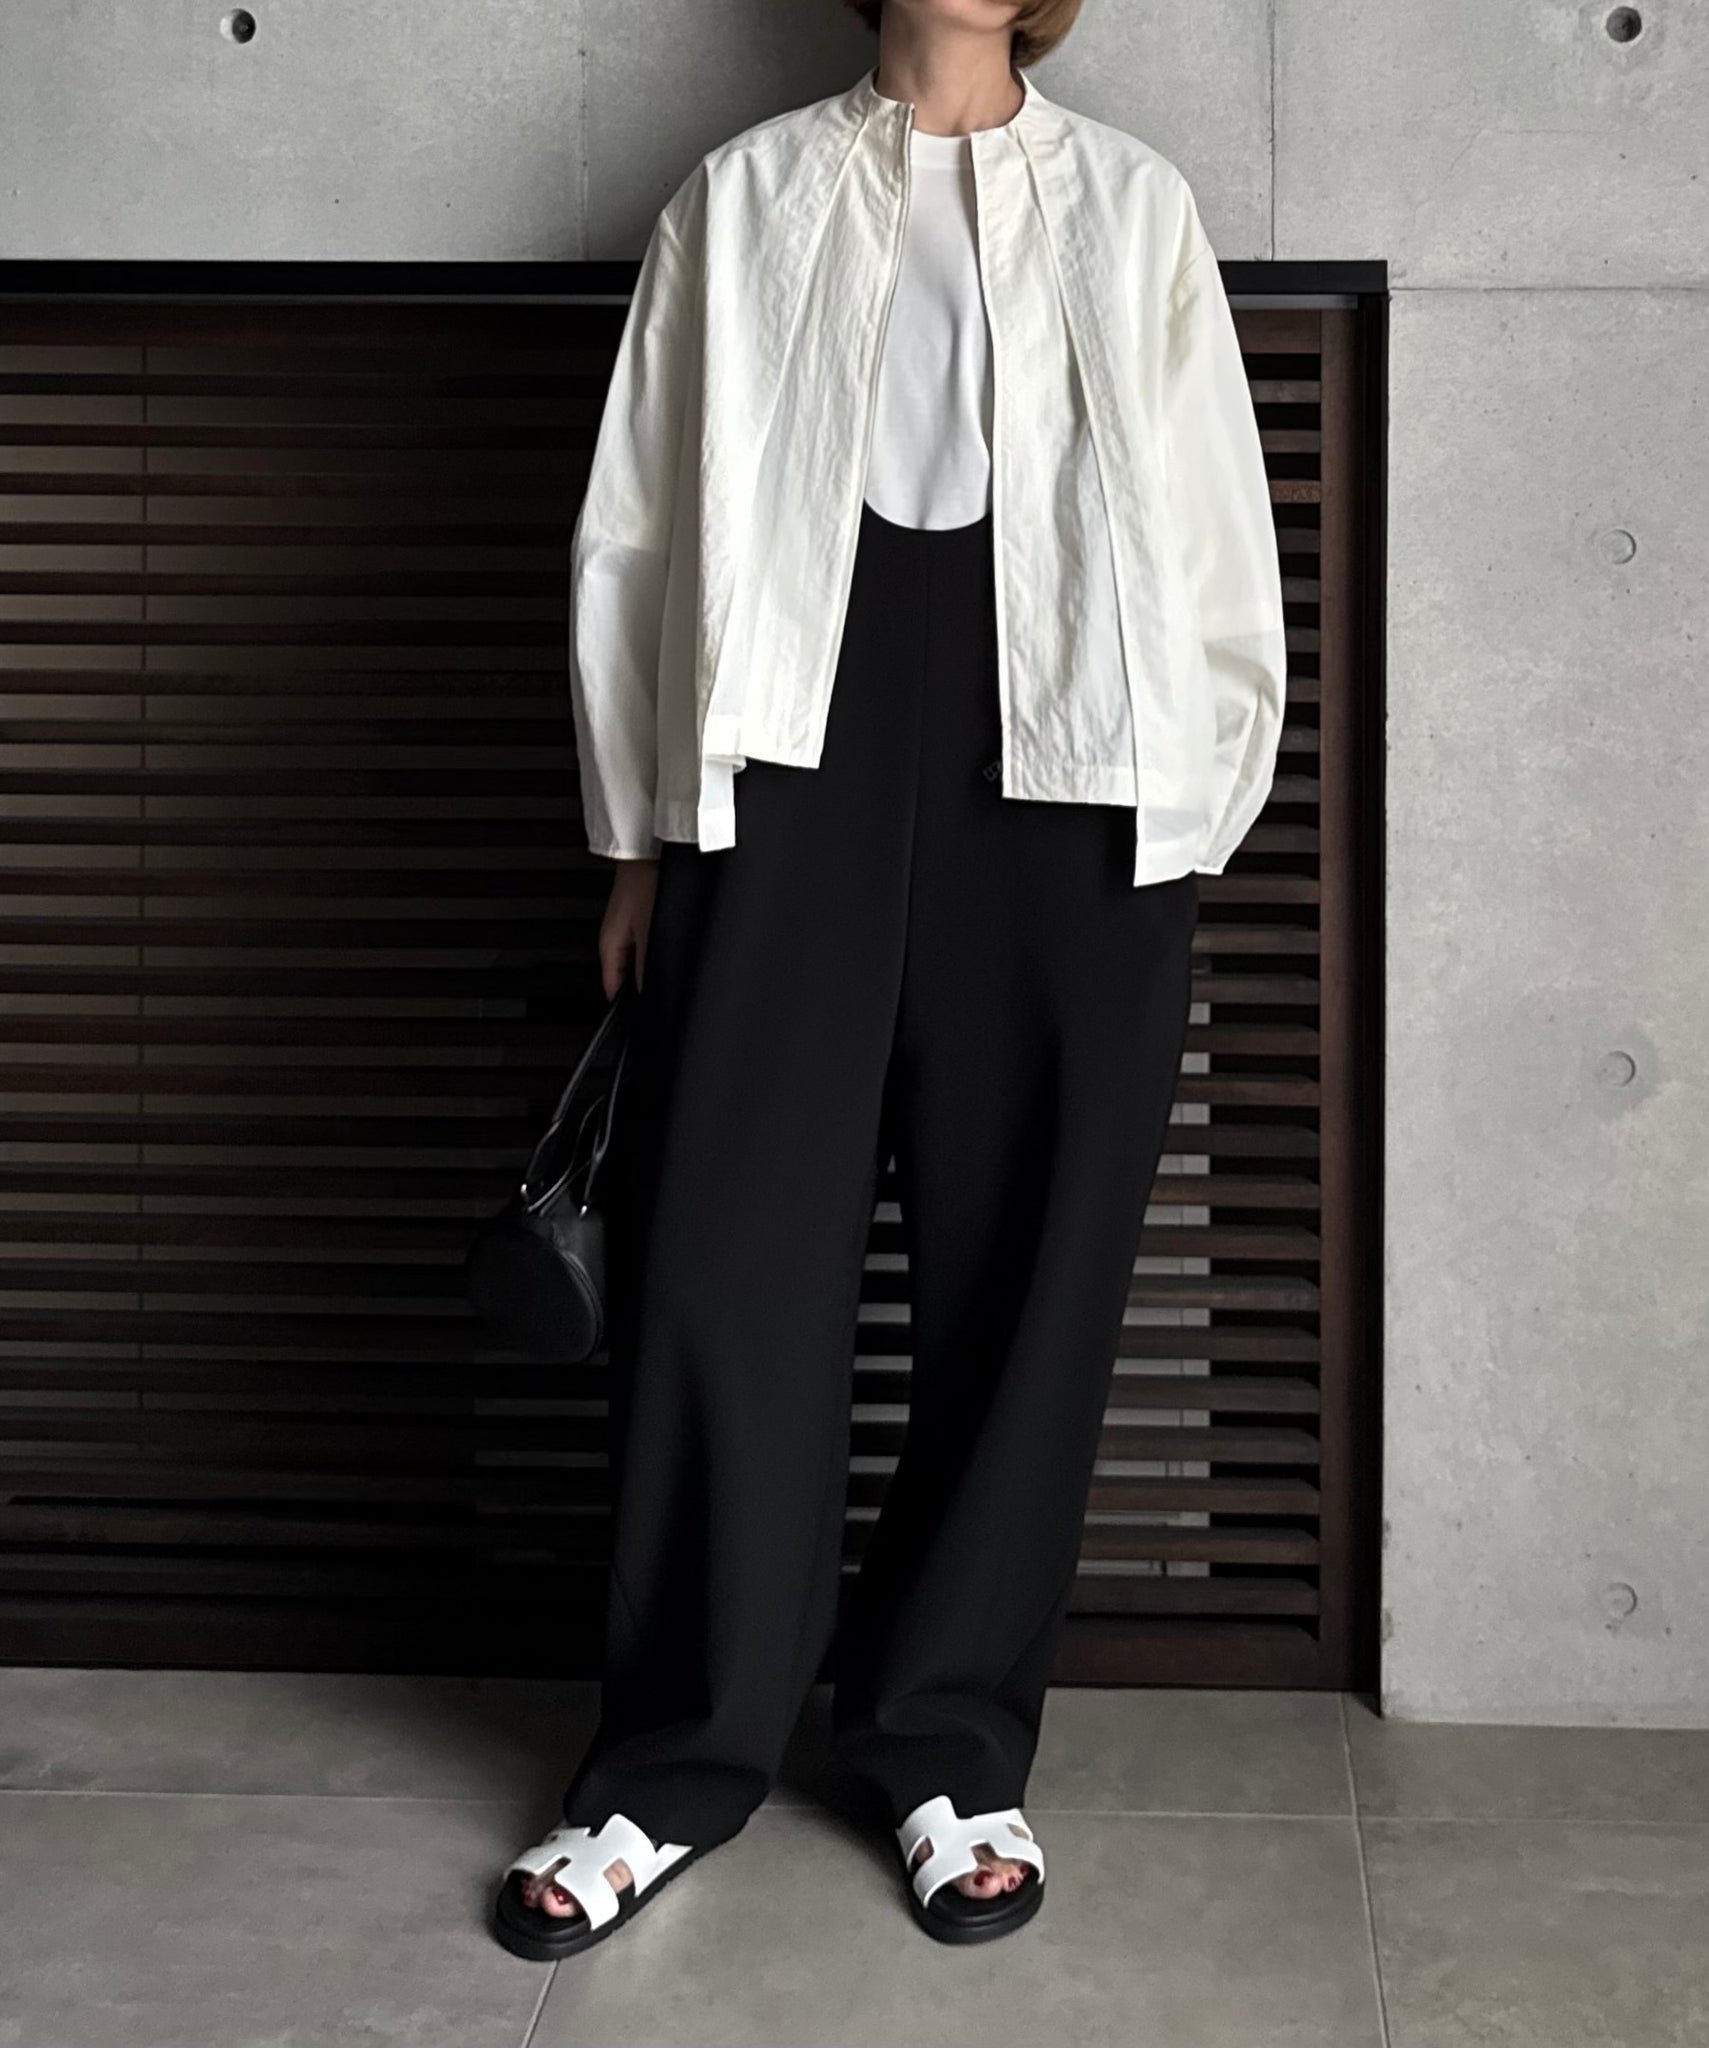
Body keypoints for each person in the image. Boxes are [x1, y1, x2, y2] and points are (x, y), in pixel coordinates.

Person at [490, 0, 1285, 1961]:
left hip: (1073, 782)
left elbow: (1213, 536)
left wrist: (1188, 816)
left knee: (1026, 1286)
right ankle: (671, 1762)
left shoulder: (1137, 207)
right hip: (782, 758)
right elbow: (635, 528)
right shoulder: (741, 195)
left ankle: (944, 1745)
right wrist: (634, 834)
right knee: (721, 1268)